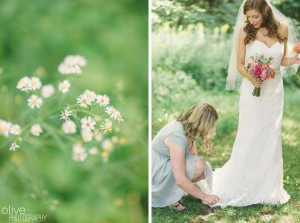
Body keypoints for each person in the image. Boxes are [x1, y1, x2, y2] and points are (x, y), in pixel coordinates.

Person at [212, 0, 300, 208]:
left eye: (255, 17)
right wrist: (252, 78)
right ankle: (241, 182)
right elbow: (240, 64)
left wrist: (296, 58)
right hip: (252, 90)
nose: (251, 21)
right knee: (250, 132)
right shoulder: (245, 31)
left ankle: (268, 186)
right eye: (249, 17)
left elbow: (283, 61)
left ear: (265, 13)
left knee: (270, 133)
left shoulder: (282, 28)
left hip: (274, 91)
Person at [152, 102, 220, 210]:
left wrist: (205, 190)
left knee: (202, 165)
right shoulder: (177, 135)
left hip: (168, 165)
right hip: (156, 172)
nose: (213, 128)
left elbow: (194, 157)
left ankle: (201, 192)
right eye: (212, 125)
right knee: (196, 166)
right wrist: (204, 196)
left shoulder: (189, 129)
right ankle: (169, 198)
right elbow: (180, 179)